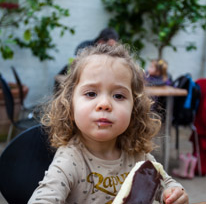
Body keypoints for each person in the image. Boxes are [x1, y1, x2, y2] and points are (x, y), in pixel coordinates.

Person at [29, 44, 188, 204]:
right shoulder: (70, 161)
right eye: (91, 93)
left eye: (118, 96)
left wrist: (173, 193)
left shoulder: (138, 156)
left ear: (134, 110)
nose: (104, 104)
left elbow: (165, 184)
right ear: (70, 106)